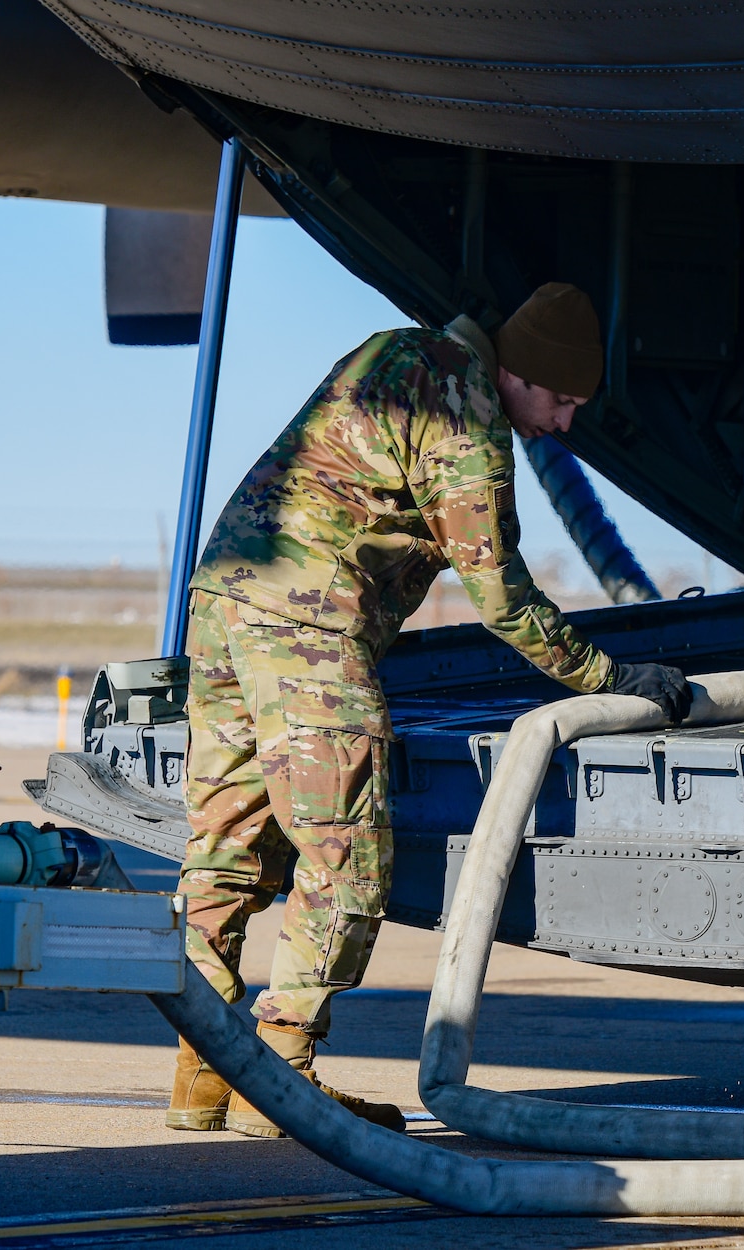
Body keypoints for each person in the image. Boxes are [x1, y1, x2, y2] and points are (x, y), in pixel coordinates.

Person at [165, 283, 692, 1137]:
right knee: (350, 857)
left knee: (223, 848)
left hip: (225, 604)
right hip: (307, 625)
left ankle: (204, 1070)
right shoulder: (466, 420)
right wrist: (606, 677)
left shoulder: (394, 353)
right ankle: (282, 1076)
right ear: (518, 372)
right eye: (560, 401)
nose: (563, 425)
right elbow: (503, 597)